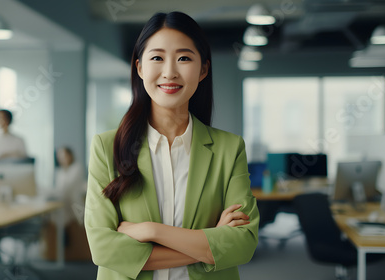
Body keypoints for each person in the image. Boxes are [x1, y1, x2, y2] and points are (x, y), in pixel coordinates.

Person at [84, 12, 259, 280]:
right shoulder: (107, 147)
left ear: (203, 70)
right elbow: (104, 250)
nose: (169, 72)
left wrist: (152, 231)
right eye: (157, 58)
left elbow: (243, 244)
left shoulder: (229, 148)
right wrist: (209, 245)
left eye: (184, 58)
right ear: (140, 68)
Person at [54, 146, 87, 225]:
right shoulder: (60, 171)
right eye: (59, 157)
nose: (61, 159)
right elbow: (59, 189)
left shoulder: (77, 168)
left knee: (77, 226)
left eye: (63, 156)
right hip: (64, 204)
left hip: (75, 204)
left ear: (70, 155)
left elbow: (68, 187)